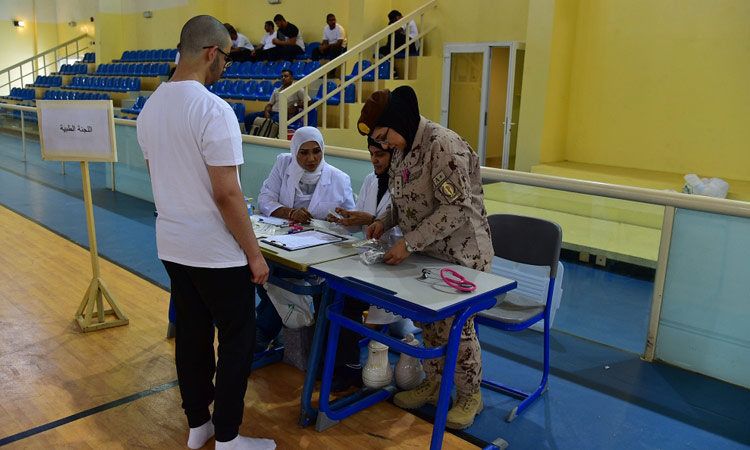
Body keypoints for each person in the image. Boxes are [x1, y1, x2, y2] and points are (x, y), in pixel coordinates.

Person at [137, 15, 275, 450]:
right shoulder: (213, 109)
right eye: (228, 59)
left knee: (193, 334)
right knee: (238, 338)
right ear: (211, 52)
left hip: (173, 244)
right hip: (214, 251)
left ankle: (200, 425)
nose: (227, 69)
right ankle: (230, 436)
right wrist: (255, 255)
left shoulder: (150, 107)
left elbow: (155, 173)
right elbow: (227, 194)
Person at [357, 86, 493, 430]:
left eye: (385, 136)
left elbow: (457, 207)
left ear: (399, 121)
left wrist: (410, 243)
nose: (384, 146)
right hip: (429, 253)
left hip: (464, 256)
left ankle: (469, 395)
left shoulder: (442, 146)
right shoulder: (402, 147)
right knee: (428, 322)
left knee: (456, 328)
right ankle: (435, 384)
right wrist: (382, 220)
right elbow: (400, 195)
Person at [242, 69, 310, 132]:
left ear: (291, 78)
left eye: (286, 76)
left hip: (285, 114)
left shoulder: (297, 89)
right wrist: (266, 112)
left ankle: (266, 137)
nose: (283, 78)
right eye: (282, 76)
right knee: (249, 117)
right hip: (272, 112)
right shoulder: (277, 90)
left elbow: (309, 102)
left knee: (272, 121)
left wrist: (295, 105)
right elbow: (270, 104)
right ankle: (252, 134)